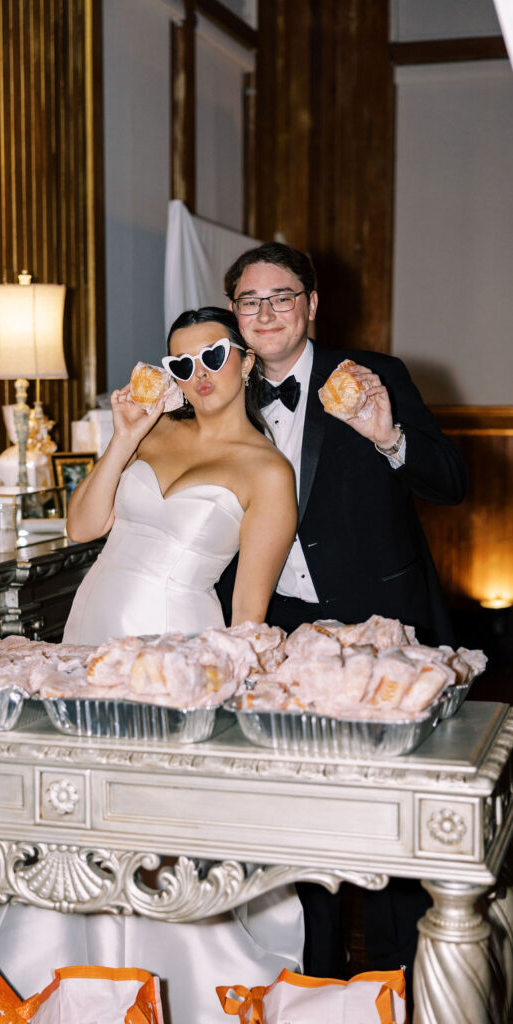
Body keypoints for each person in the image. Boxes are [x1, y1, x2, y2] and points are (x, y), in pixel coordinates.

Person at [0, 306, 304, 1023]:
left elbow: (249, 613)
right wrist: (124, 438)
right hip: (88, 637)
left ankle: (171, 988)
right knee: (75, 812)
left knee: (153, 826)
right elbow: (84, 526)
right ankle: (66, 976)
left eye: (214, 356)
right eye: (180, 365)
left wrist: (224, 696)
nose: (199, 376)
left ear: (246, 361)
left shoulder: (267, 472)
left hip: (176, 654)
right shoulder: (152, 430)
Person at [217, 241, 468, 1002]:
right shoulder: (218, 389)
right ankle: (314, 989)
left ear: (312, 304)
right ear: (234, 313)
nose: (264, 313)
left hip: (380, 628)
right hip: (280, 631)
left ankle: (398, 987)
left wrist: (388, 437)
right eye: (249, 300)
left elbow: (450, 483)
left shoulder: (372, 376)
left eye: (281, 297)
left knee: (387, 814)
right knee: (296, 816)